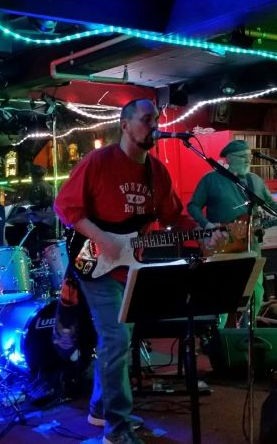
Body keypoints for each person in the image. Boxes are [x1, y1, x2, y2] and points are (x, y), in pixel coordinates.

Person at [55, 98, 183, 444]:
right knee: (116, 338)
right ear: (125, 125)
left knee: (117, 341)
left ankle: (101, 407)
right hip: (94, 261)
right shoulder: (98, 161)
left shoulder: (157, 172)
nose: (154, 125)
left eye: (156, 120)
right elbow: (65, 207)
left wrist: (207, 233)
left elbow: (174, 217)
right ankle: (117, 428)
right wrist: (104, 239)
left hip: (131, 266)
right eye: (146, 119)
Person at [187, 139, 277, 323]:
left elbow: (272, 205)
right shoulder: (210, 180)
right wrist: (207, 225)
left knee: (256, 294)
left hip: (251, 246)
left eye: (249, 156)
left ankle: (244, 333)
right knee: (221, 298)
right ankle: (218, 335)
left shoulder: (255, 181)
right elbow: (193, 206)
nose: (248, 160)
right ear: (229, 158)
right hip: (222, 246)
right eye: (243, 157)